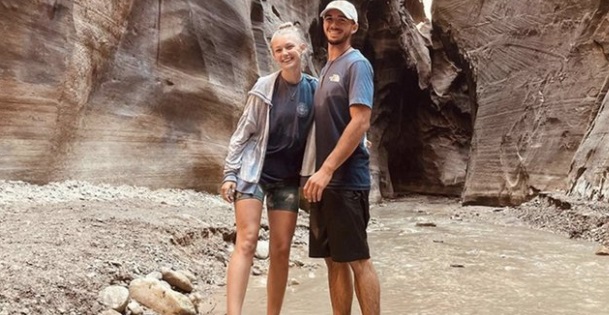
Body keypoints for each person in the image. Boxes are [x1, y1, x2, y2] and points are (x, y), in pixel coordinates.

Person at [220, 22, 317, 315]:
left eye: (289, 47)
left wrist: (360, 141)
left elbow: (335, 123)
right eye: (278, 50)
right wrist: (229, 174)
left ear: (302, 48)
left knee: (281, 250)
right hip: (253, 174)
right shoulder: (264, 86)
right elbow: (243, 132)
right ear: (273, 55)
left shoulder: (315, 89)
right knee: (247, 241)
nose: (285, 53)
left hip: (288, 181)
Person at [303, 1, 380, 314]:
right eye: (329, 18)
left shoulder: (356, 64)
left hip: (345, 180)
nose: (334, 24)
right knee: (334, 261)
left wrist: (327, 170)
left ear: (354, 27)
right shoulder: (325, 70)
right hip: (324, 182)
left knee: (358, 260)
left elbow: (360, 120)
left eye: (341, 20)